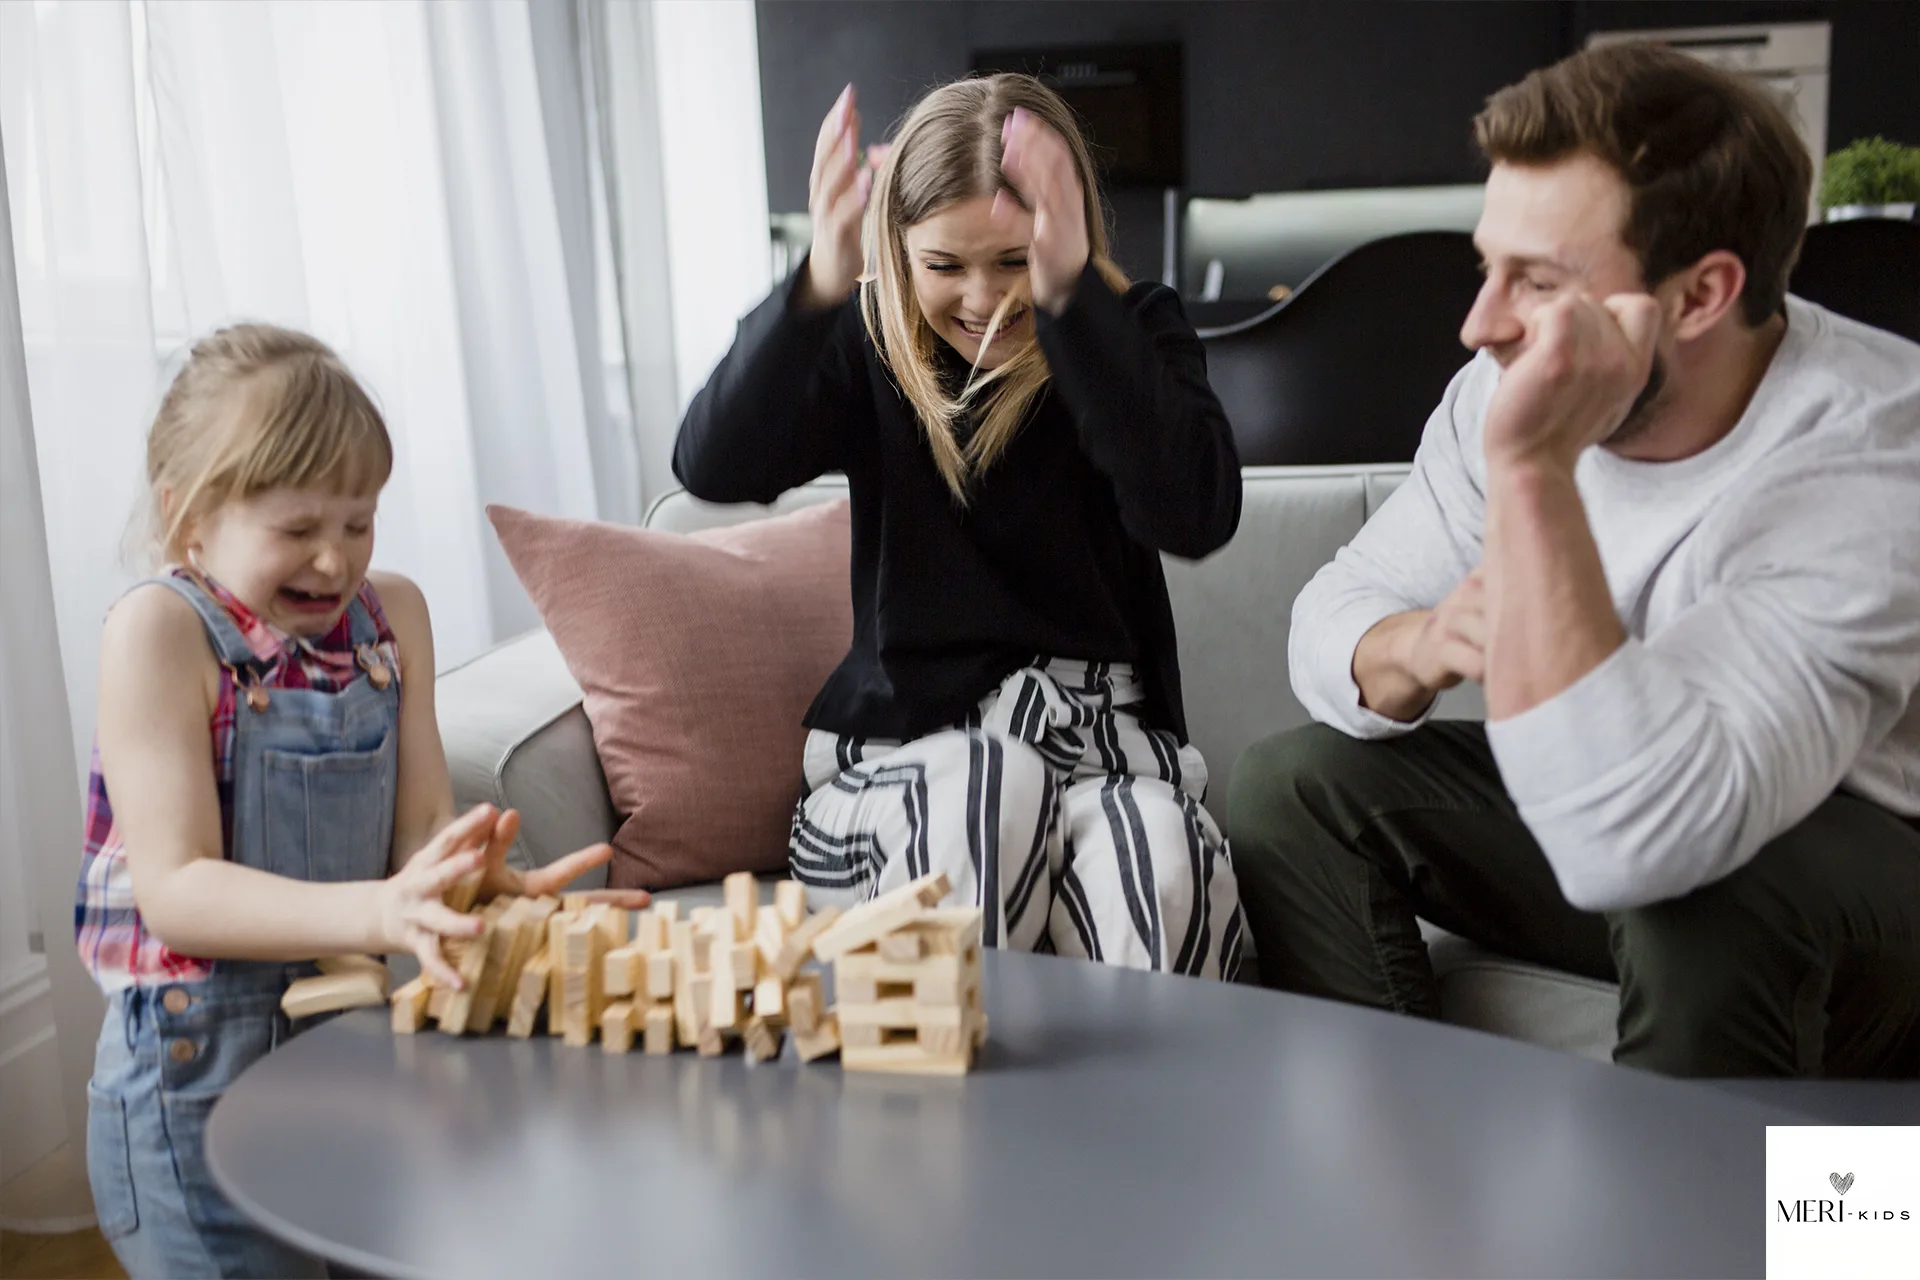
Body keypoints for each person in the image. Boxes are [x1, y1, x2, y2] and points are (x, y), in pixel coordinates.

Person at [1229, 42, 1920, 1077]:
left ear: (1699, 296)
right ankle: (1409, 1180)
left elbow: (1647, 842)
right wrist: (1420, 641)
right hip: (1632, 826)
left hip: (1856, 863)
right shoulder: (1495, 385)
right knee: (1292, 785)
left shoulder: (1871, 452)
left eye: (1536, 281)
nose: (1478, 324)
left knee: (1698, 902)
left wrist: (1534, 468)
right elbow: (1332, 613)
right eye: (1485, 267)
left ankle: (1682, 1230)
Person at [76, 323, 643, 1277]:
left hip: (343, 1048)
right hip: (189, 1084)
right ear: (189, 518)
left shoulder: (392, 620)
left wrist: (463, 878)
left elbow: (417, 827)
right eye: (297, 530)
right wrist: (381, 909)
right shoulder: (159, 635)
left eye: (358, 522)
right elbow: (176, 890)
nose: (335, 562)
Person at [675, 75, 1246, 976]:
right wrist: (822, 284)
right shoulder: (869, 340)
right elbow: (712, 466)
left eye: (1013, 260)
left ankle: (1141, 1117)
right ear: (897, 253)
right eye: (945, 266)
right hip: (912, 762)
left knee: (1157, 857)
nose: (984, 301)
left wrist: (1070, 307)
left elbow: (1197, 511)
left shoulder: (1131, 330)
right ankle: (942, 1100)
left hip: (1105, 757)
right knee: (991, 782)